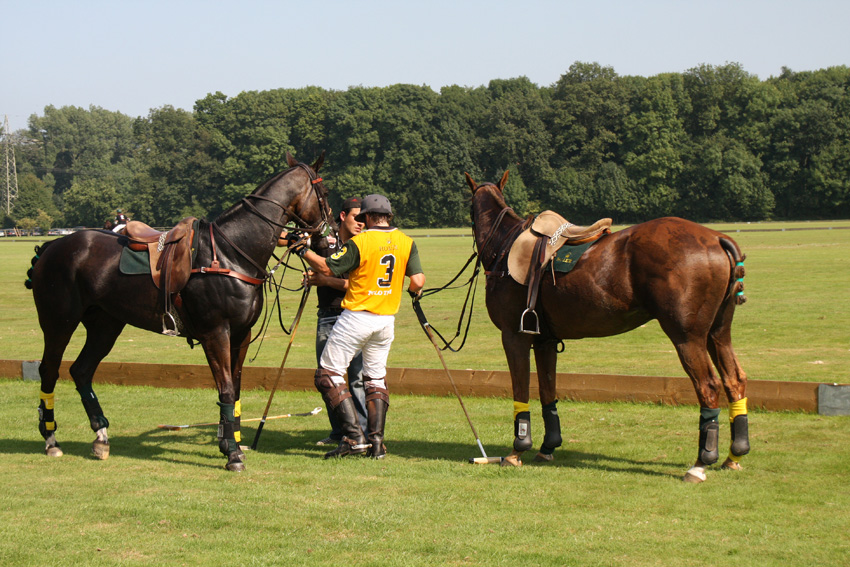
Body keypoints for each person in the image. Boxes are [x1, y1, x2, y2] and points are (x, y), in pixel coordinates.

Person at [292, 194, 425, 459]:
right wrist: (411, 293)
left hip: (356, 318)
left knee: (328, 375)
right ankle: (376, 444)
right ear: (388, 216)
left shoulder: (361, 242)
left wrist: (302, 250)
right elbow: (418, 281)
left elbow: (326, 268)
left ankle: (354, 439)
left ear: (367, 217)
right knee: (375, 380)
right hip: (386, 322)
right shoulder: (406, 242)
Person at [307, 197, 368, 446]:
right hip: (327, 315)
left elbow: (356, 286)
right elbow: (290, 241)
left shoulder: (365, 243)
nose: (361, 224)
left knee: (356, 378)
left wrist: (324, 280)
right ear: (342, 216)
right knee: (328, 378)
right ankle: (338, 432)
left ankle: (359, 433)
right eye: (357, 217)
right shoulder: (323, 238)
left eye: (364, 219)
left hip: (354, 315)